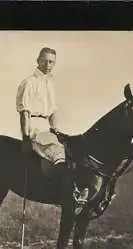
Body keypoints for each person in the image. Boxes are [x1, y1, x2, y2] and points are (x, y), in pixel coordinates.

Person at [16, 47, 89, 204]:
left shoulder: (50, 83)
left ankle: (78, 187)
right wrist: (26, 137)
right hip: (34, 127)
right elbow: (24, 113)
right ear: (38, 61)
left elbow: (52, 111)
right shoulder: (29, 82)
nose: (48, 65)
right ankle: (67, 193)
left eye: (51, 62)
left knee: (72, 147)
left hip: (47, 128)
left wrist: (56, 130)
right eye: (45, 61)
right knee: (57, 153)